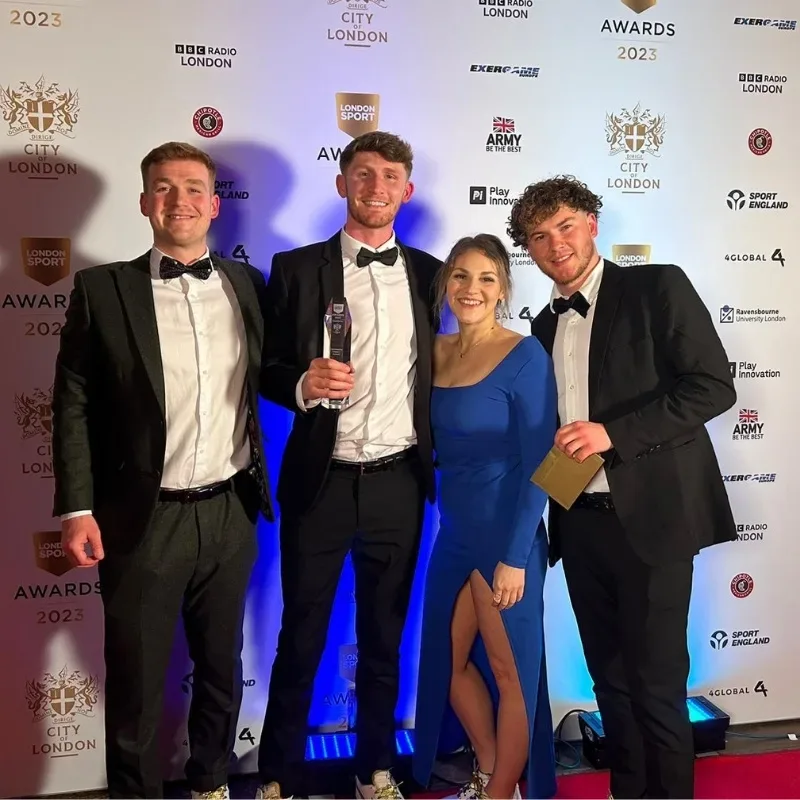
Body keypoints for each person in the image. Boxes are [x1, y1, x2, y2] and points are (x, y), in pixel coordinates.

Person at [52, 142, 273, 800]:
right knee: (137, 684)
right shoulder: (102, 288)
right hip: (140, 520)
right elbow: (73, 404)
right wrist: (76, 508)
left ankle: (210, 785)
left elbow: (280, 375)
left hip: (231, 512)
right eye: (164, 188)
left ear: (214, 205)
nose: (179, 200)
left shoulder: (247, 284)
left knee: (222, 674)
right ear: (146, 202)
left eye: (193, 188)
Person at [510, 175, 737, 799]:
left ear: (591, 223)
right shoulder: (540, 328)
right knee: (608, 681)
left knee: (657, 682)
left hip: (655, 519)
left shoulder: (655, 285)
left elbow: (714, 386)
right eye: (538, 237)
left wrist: (615, 432)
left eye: (564, 226)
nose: (555, 245)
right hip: (580, 524)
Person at [256, 131, 441, 800]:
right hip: (320, 483)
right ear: (341, 185)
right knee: (300, 637)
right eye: (362, 174)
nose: (375, 186)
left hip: (399, 481)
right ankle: (277, 776)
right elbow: (265, 368)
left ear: (406, 191)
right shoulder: (295, 268)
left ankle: (376, 772)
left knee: (385, 641)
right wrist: (301, 384)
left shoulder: (430, 272)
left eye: (389, 175)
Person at [411, 235, 558, 800]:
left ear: (504, 289)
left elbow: (544, 461)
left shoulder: (524, 355)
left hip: (507, 535)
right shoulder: (435, 349)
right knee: (446, 666)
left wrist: (516, 557)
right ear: (447, 283)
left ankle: (500, 793)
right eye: (461, 277)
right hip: (454, 533)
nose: (472, 289)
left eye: (487, 279)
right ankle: (489, 773)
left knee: (509, 672)